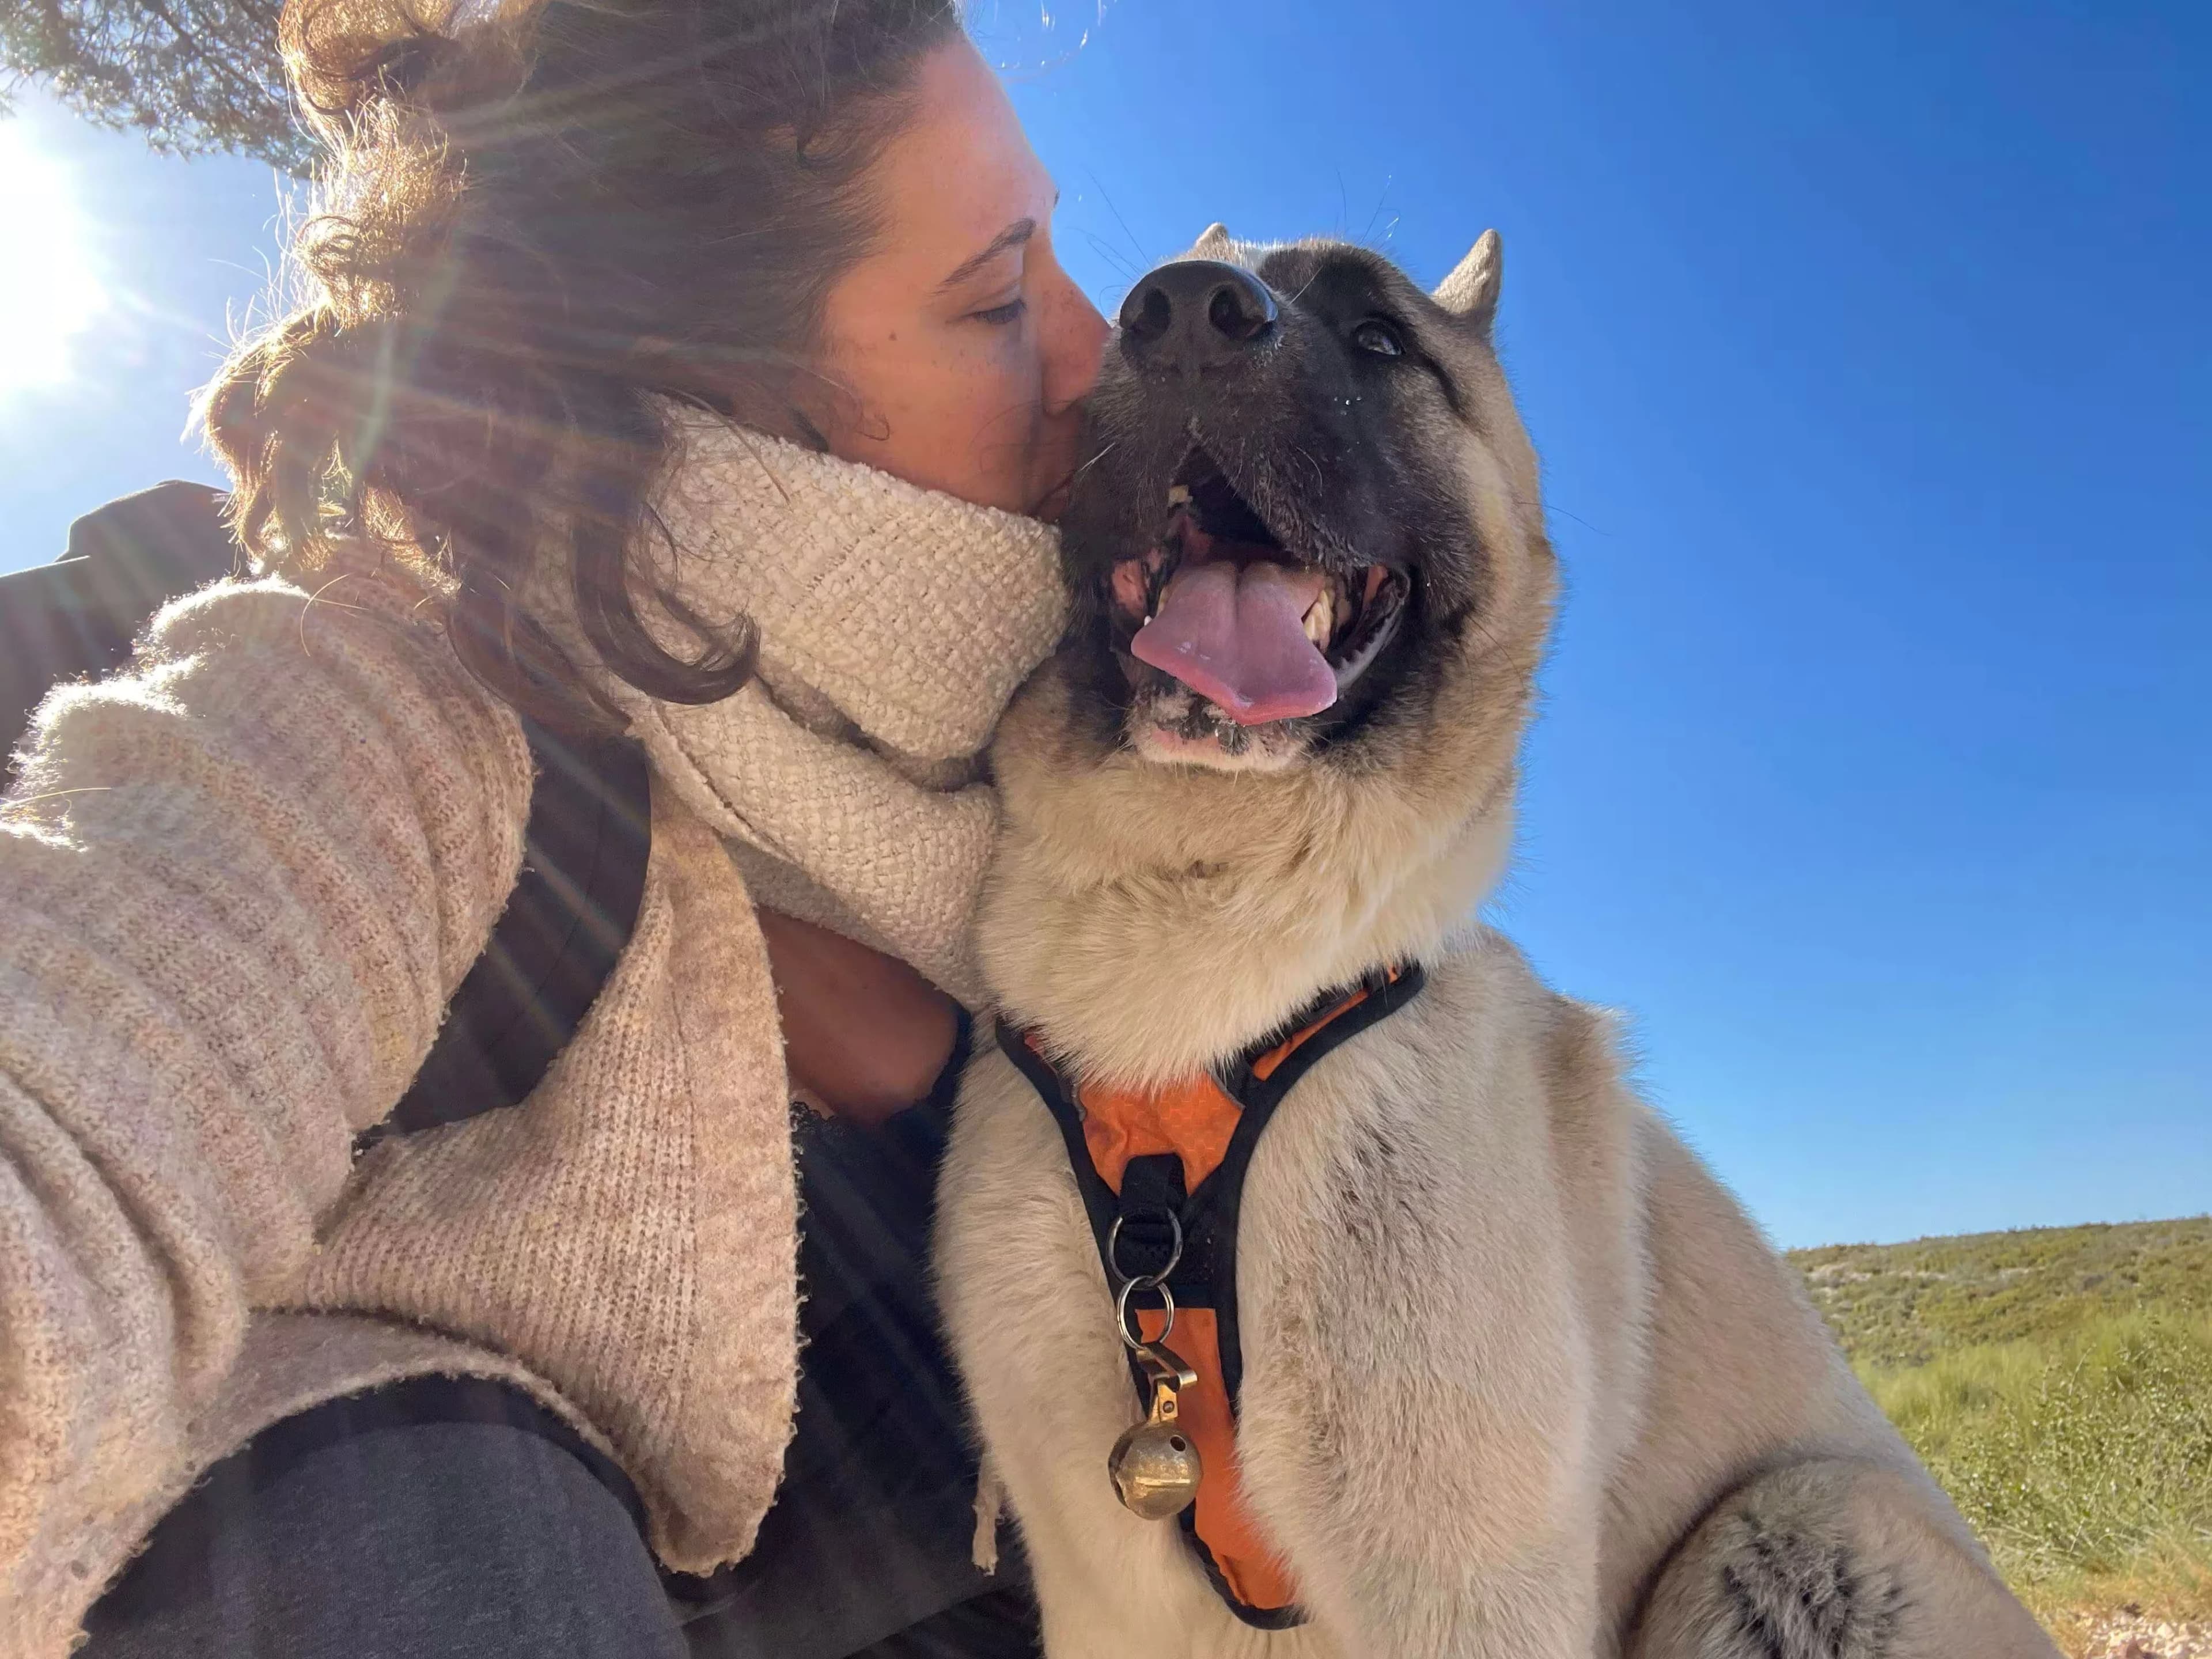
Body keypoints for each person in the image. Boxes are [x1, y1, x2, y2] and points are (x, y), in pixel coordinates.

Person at [0, 0, 1108, 1654]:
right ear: (715, 405)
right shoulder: (398, 694)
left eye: (1054, 258)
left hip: (890, 1570)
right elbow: (80, 1120)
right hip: (402, 1525)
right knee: (426, 1522)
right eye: (997, 297)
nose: (1098, 354)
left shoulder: (1083, 752)